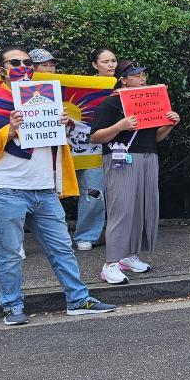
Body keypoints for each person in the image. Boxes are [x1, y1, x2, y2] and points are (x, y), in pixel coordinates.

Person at [0, 46, 118, 325]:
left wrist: (65, 126)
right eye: (15, 62)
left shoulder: (46, 98)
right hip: (7, 187)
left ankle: (78, 300)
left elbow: (56, 142)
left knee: (62, 247)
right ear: (0, 70)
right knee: (8, 252)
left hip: (44, 187)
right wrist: (10, 130)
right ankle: (12, 306)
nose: (23, 66)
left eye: (27, 62)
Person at [88, 61, 180, 284]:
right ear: (123, 79)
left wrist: (169, 125)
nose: (142, 79)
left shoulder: (149, 102)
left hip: (149, 156)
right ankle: (110, 263)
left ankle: (128, 255)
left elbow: (154, 137)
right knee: (122, 209)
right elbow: (95, 137)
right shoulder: (109, 104)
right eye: (137, 75)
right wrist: (119, 126)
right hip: (120, 158)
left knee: (142, 206)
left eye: (143, 75)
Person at [73, 47, 119, 252]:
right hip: (89, 147)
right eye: (105, 61)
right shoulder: (85, 88)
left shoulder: (125, 83)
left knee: (121, 193)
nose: (110, 65)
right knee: (93, 192)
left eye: (113, 61)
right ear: (94, 65)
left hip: (120, 147)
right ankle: (86, 235)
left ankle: (120, 233)